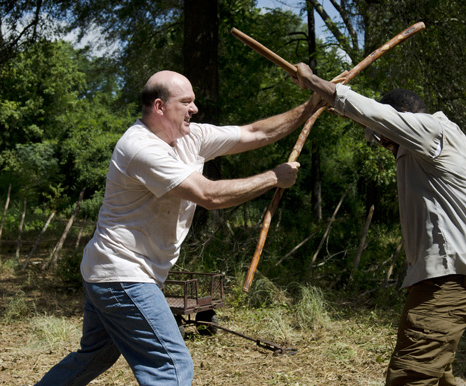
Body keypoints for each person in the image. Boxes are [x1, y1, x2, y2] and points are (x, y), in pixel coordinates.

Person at [35, 70, 320, 386]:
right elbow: (208, 194)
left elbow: (254, 132)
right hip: (123, 275)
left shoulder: (191, 137)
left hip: (108, 272)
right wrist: (273, 177)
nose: (194, 109)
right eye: (186, 102)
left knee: (94, 356)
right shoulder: (140, 148)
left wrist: (312, 104)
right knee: (171, 369)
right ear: (159, 107)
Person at [292, 63, 466, 386]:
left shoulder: (433, 130)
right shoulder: (423, 146)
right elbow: (376, 121)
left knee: (409, 377)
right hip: (444, 278)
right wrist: (337, 105)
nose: (387, 148)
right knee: (437, 378)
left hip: (453, 277)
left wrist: (315, 82)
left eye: (387, 142)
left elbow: (378, 117)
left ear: (404, 119)